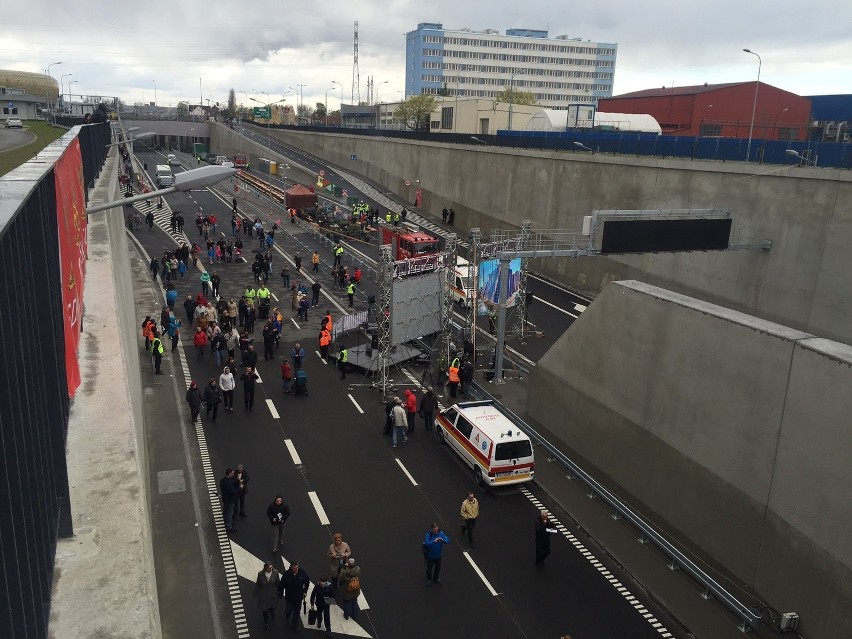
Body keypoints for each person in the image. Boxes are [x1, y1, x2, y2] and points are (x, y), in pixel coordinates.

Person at [278, 562, 311, 630]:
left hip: (299, 598)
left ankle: (295, 623)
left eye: (297, 568)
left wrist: (305, 591)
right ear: (291, 567)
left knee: (297, 612)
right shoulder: (286, 574)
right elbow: (282, 585)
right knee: (288, 610)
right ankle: (287, 615)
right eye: (294, 568)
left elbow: (307, 582)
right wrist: (280, 593)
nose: (296, 569)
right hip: (289, 598)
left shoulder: (302, 573)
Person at [253, 561, 281, 630]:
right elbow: (258, 583)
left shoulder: (275, 573)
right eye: (269, 568)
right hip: (264, 595)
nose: (270, 569)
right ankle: (266, 621)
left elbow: (278, 582)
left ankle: (272, 611)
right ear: (265, 567)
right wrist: (255, 592)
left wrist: (280, 591)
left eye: (271, 568)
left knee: (272, 607)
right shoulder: (260, 574)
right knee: (265, 610)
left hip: (272, 594)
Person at [219, 468, 240, 533]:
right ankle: (229, 526)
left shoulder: (222, 481)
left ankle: (226, 522)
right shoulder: (228, 483)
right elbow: (233, 491)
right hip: (230, 499)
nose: (233, 474)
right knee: (229, 513)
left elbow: (231, 482)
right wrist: (240, 487)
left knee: (225, 511)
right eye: (232, 473)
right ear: (229, 473)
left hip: (225, 498)